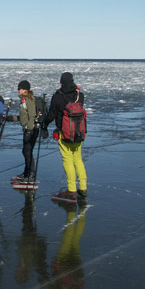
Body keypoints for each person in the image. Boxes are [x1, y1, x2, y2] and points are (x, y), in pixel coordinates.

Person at [43, 72, 88, 202]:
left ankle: (71, 189)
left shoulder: (58, 97)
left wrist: (44, 125)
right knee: (78, 159)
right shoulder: (80, 96)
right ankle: (83, 188)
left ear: (61, 82)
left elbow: (51, 114)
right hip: (79, 133)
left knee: (67, 160)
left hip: (64, 133)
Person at [8, 80, 40, 183]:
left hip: (32, 130)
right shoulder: (24, 101)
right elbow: (23, 118)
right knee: (26, 151)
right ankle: (27, 173)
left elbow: (32, 117)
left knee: (27, 152)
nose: (18, 91)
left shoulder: (29, 101)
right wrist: (10, 118)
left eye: (19, 89)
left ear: (25, 90)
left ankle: (31, 175)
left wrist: (29, 131)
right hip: (28, 130)